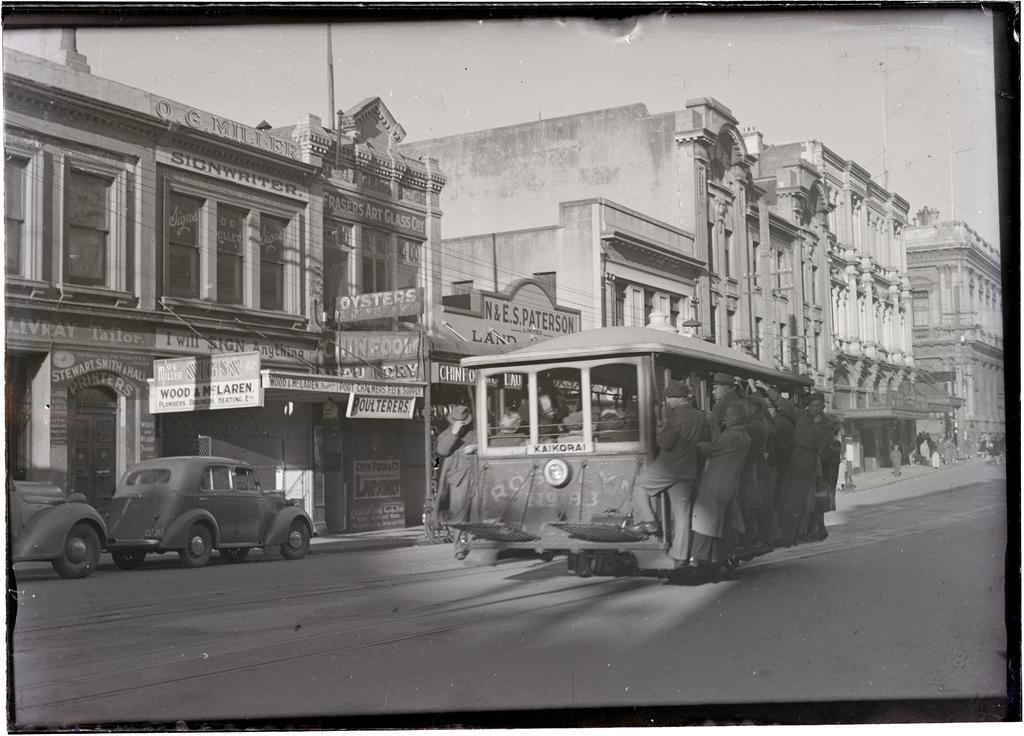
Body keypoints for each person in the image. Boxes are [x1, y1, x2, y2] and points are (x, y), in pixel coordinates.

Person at [626, 380, 708, 566]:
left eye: (670, 398)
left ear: (679, 399)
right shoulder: (698, 416)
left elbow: (665, 443)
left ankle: (649, 522)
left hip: (668, 467)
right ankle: (680, 556)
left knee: (639, 486)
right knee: (682, 515)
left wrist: (658, 429)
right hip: (688, 469)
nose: (668, 401)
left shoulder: (676, 417)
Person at [756, 382, 830, 547]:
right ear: (808, 406)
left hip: (808, 465)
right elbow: (784, 404)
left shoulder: (825, 423)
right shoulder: (801, 416)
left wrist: (816, 426)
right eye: (814, 405)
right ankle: (783, 534)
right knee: (787, 499)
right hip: (795, 462)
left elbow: (818, 443)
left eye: (819, 406)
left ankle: (790, 535)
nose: (817, 408)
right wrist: (766, 388)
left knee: (799, 502)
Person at [688, 403, 752, 575]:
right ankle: (716, 558)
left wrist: (695, 441)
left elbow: (711, 448)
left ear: (737, 418)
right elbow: (720, 442)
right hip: (729, 483)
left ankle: (697, 558)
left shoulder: (732, 436)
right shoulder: (742, 435)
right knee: (720, 523)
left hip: (715, 483)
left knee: (704, 519)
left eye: (729, 415)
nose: (725, 418)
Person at [434, 405, 478, 527]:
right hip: (458, 481)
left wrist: (477, 447)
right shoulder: (446, 435)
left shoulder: (474, 433)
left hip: (476, 477)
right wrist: (454, 433)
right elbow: (442, 450)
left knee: (475, 516)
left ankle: (471, 542)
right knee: (459, 515)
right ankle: (459, 544)